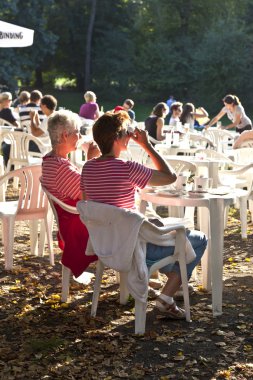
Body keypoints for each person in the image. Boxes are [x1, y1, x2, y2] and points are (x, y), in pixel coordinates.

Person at [80, 111, 207, 319]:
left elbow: (89, 205)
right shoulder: (127, 168)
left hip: (106, 245)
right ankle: (167, 296)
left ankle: (173, 281)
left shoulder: (87, 169)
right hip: (134, 248)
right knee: (199, 240)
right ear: (117, 138)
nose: (129, 137)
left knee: (165, 235)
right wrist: (147, 145)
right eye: (127, 133)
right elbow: (169, 177)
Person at [41, 110, 99, 278]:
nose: (79, 136)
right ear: (65, 136)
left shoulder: (51, 160)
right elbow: (90, 195)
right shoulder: (60, 168)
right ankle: (139, 275)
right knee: (128, 223)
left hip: (72, 220)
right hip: (80, 226)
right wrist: (91, 161)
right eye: (77, 132)